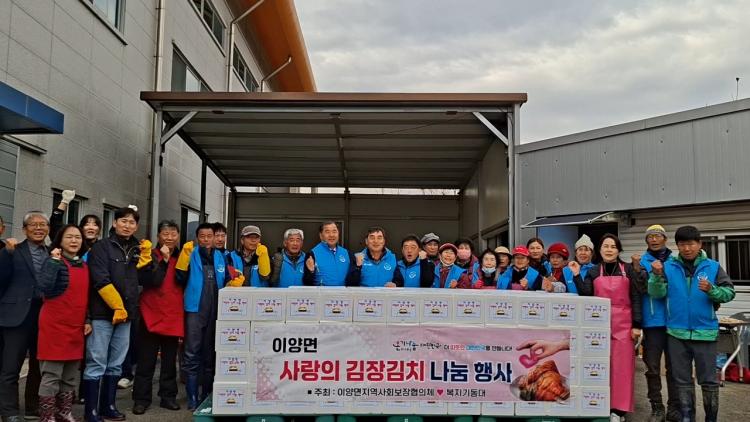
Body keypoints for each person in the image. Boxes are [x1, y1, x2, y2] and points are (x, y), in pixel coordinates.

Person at [648, 226, 735, 422]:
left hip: (705, 332)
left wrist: (712, 290)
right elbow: (656, 293)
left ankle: (711, 418)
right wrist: (656, 276)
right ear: (677, 246)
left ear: (699, 244)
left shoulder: (713, 267)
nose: (687, 249)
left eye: (690, 244)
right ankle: (687, 418)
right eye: (682, 244)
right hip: (676, 333)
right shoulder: (668, 267)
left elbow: (729, 293)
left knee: (709, 381)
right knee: (682, 381)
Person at [84, 206, 150, 422]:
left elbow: (146, 279)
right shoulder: (101, 247)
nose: (127, 225)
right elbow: (100, 279)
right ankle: (91, 411)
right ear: (114, 223)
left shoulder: (138, 248)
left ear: (136, 226)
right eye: (123, 221)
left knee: (116, 363)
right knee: (97, 361)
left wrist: (148, 260)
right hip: (103, 314)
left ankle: (108, 406)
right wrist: (116, 306)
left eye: (132, 222)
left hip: (127, 315)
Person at [570, 234, 644, 422]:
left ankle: (618, 410)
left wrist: (637, 325)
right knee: (598, 366)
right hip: (598, 324)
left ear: (619, 250)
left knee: (622, 368)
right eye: (605, 246)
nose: (609, 250)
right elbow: (586, 294)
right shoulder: (594, 271)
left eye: (613, 246)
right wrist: (577, 275)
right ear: (600, 249)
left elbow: (636, 296)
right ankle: (598, 405)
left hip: (624, 325)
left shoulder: (628, 269)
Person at [175, 223, 243, 410]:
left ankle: (206, 394)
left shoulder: (220, 256)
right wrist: (183, 259)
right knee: (191, 353)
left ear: (214, 238)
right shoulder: (191, 254)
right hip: (195, 310)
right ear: (197, 238)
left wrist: (233, 283)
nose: (206, 239)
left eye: (209, 236)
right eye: (202, 236)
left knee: (210, 353)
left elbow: (227, 279)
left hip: (216, 310)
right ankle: (192, 397)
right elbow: (179, 278)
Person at [36, 225, 91, 422]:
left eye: (78, 237)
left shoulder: (84, 266)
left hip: (76, 327)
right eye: (69, 237)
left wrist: (88, 319)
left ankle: (64, 412)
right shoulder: (53, 261)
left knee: (70, 375)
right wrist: (53, 261)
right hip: (54, 326)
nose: (74, 241)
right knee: (51, 375)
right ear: (60, 240)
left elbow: (87, 297)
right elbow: (44, 287)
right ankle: (47, 416)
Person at [0, 211, 50, 422]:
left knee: (39, 365)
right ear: (24, 229)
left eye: (43, 224)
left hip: (44, 315)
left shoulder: (53, 253)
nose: (38, 228)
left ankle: (32, 406)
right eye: (33, 224)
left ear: (48, 229)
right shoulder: (12, 250)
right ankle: (9, 411)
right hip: (16, 315)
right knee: (11, 366)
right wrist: (6, 253)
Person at [132, 221, 184, 414]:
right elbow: (150, 281)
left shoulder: (183, 257)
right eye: (165, 234)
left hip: (173, 316)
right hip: (150, 314)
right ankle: (141, 399)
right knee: (146, 361)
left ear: (178, 236)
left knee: (170, 362)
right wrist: (164, 260)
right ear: (158, 236)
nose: (169, 237)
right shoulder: (148, 255)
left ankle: (168, 397)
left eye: (173, 234)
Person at [636, 225, 680, 422]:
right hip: (652, 321)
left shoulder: (675, 261)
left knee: (674, 367)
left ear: (665, 239)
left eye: (657, 236)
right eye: (650, 237)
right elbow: (639, 289)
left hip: (674, 321)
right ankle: (657, 407)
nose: (654, 239)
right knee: (652, 367)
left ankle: (674, 407)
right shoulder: (641, 262)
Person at [305, 222, 355, 286]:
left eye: (334, 231)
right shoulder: (312, 254)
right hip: (321, 292)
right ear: (321, 236)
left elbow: (353, 280)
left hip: (343, 292)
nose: (331, 235)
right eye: (327, 232)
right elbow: (306, 282)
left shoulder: (347, 253)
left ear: (338, 233)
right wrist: (310, 272)